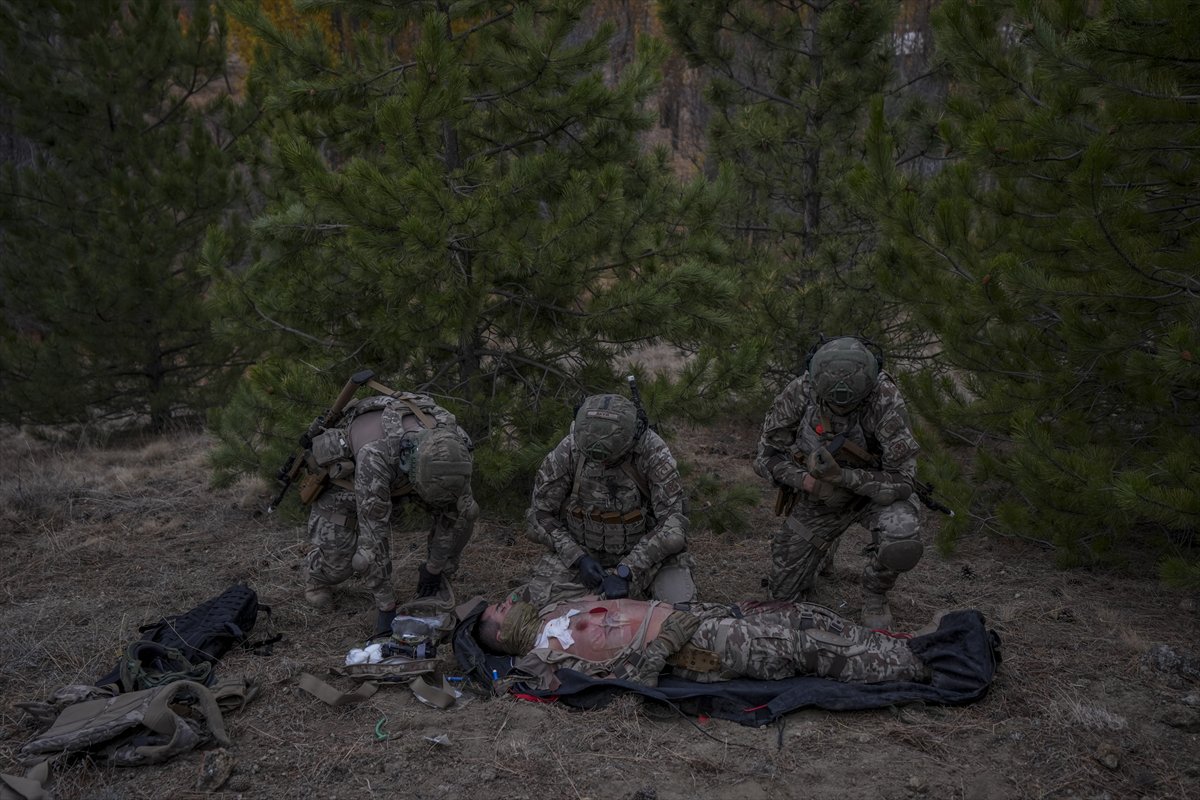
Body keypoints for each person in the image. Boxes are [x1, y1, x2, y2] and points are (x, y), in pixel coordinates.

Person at [753, 336, 923, 630]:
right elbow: (765, 456)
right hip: (821, 499)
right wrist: (808, 482)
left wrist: (844, 477)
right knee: (782, 599)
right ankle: (820, 555)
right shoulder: (800, 392)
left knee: (902, 537)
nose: (840, 409)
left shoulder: (885, 399)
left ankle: (875, 593)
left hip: (874, 496)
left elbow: (903, 480)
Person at [476, 595, 934, 690]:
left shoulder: (556, 605)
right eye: (500, 608)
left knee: (804, 614)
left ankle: (896, 644)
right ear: (503, 634)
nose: (509, 600)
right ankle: (914, 664)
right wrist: (659, 651)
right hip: (701, 645)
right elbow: (611, 676)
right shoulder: (542, 656)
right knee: (810, 648)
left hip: (701, 619)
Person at [303, 391, 479, 635]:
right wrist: (386, 606)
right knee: (340, 566)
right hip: (348, 481)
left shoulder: (457, 449)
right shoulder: (374, 456)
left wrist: (434, 569)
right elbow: (373, 539)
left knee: (463, 515)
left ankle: (438, 577)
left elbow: (456, 511)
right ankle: (316, 576)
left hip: (404, 475)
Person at [521, 393, 696, 607]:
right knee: (537, 608)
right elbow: (540, 515)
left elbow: (672, 525)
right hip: (584, 556)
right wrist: (578, 558)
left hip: (650, 560)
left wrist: (627, 570)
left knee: (680, 615)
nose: (601, 463)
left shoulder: (652, 453)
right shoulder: (570, 450)